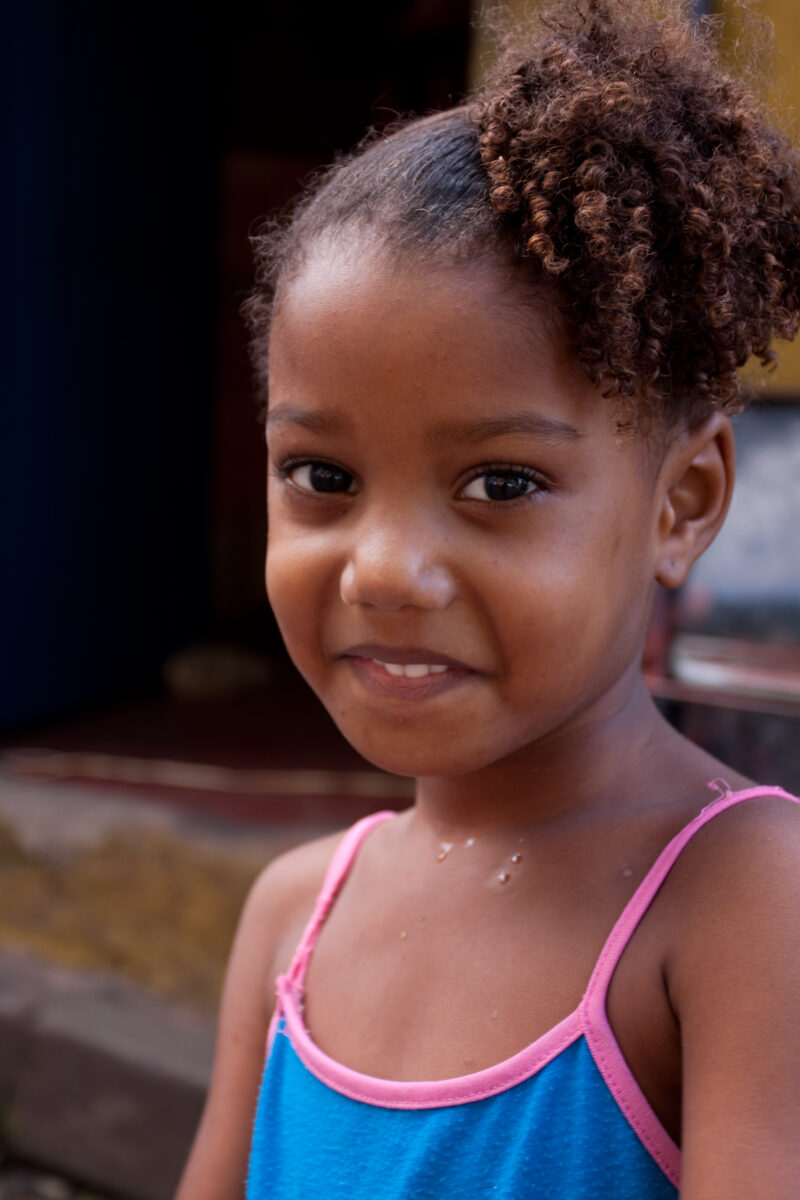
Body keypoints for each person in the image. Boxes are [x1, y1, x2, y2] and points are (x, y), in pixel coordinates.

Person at [176, 1, 800, 1195]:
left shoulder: (742, 906)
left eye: (498, 484)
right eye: (322, 476)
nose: (382, 571)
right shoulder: (293, 920)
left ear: (680, 502)